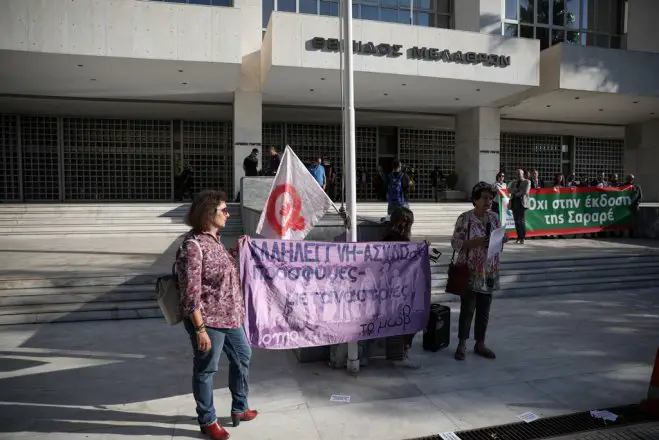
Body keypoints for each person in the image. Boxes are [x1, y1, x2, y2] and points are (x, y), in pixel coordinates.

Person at [176, 190, 257, 440]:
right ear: (208, 214)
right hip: (208, 321)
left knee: (243, 356)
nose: (228, 213)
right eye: (224, 210)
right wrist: (200, 329)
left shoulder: (215, 240)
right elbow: (190, 294)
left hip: (231, 318)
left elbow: (220, 272)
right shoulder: (193, 246)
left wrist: (234, 251)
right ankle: (207, 420)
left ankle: (239, 407)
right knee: (206, 370)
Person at [451, 182, 505, 361]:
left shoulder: (495, 218)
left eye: (490, 198)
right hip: (470, 269)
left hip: (489, 270)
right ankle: (461, 343)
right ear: (475, 200)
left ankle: (480, 343)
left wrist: (502, 240)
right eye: (484, 198)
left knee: (484, 308)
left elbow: (499, 245)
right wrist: (474, 243)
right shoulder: (465, 218)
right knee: (468, 308)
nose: (488, 201)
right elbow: (455, 243)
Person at [381, 206, 420, 368]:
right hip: (395, 291)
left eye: (407, 222)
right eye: (402, 222)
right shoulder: (391, 238)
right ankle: (400, 351)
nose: (405, 225)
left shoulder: (397, 238)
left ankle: (401, 350)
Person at [508, 169, 531, 244]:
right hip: (514, 202)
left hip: (522, 203)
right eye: (516, 174)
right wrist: (516, 190)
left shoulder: (527, 181)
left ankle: (522, 238)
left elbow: (525, 191)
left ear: (523, 174)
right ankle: (518, 237)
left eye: (519, 174)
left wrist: (516, 192)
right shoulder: (514, 182)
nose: (517, 175)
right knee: (516, 221)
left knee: (521, 221)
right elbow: (509, 190)